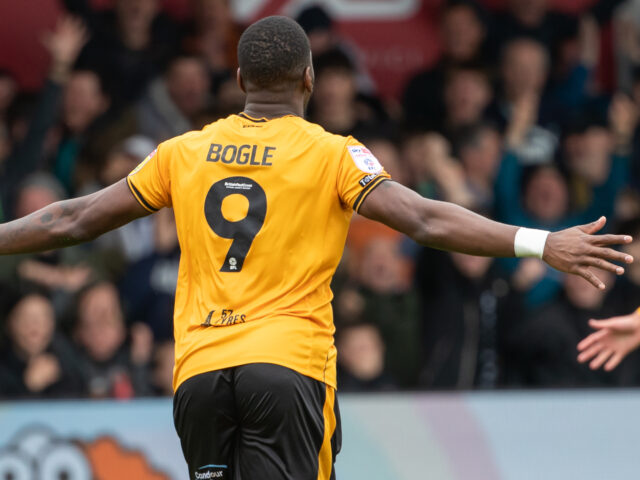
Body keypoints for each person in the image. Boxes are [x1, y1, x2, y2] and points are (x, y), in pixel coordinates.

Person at [0, 15, 633, 480]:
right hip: (286, 372)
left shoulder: (182, 153)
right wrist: (540, 242)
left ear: (242, 77)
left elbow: (70, 219)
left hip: (198, 378)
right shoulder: (333, 152)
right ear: (308, 78)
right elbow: (425, 220)